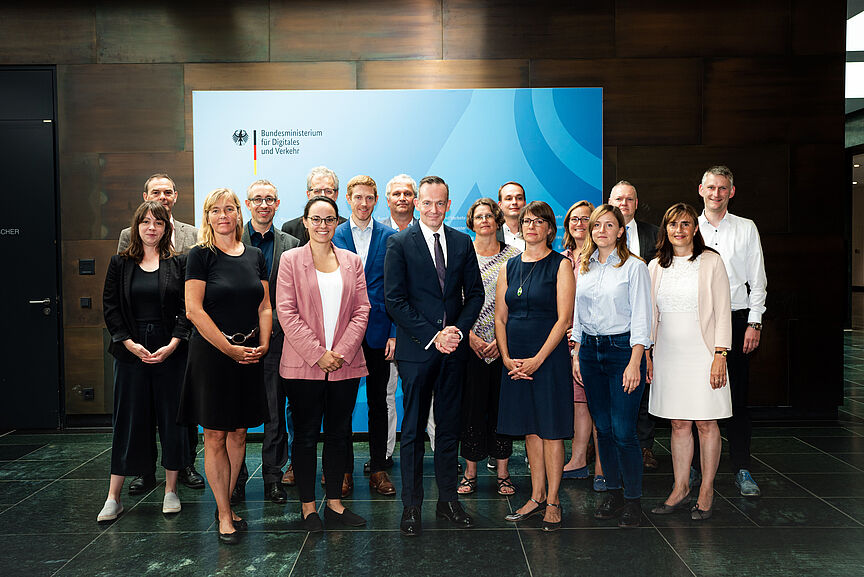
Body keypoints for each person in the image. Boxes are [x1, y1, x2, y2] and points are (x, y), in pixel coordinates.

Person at [384, 175, 484, 537]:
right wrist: (433, 335)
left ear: (448, 203)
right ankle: (412, 507)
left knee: (448, 429)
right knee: (411, 432)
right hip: (417, 353)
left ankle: (447, 502)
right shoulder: (399, 243)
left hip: (454, 352)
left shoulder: (461, 241)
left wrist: (456, 331)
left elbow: (474, 294)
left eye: (441, 203)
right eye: (426, 203)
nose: (433, 209)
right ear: (416, 203)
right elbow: (394, 301)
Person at [178, 188, 271, 545]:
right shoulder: (200, 255)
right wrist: (229, 349)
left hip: (248, 354)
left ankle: (227, 504)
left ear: (238, 214)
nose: (223, 215)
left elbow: (265, 305)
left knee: (240, 432)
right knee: (215, 434)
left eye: (229, 209)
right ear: (207, 216)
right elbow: (193, 310)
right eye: (215, 210)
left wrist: (263, 343)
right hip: (213, 356)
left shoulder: (254, 255)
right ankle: (223, 515)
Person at [276, 195, 371, 531]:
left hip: (344, 364)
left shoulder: (351, 261)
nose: (322, 225)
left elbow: (362, 310)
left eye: (329, 219)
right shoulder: (290, 260)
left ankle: (334, 504)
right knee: (303, 436)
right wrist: (319, 354)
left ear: (337, 223)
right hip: (303, 365)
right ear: (305, 221)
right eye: (315, 219)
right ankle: (308, 508)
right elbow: (286, 312)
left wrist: (340, 352)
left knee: (337, 435)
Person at [98, 201, 191, 522]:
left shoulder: (178, 264)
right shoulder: (120, 263)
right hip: (130, 353)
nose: (152, 227)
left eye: (159, 223)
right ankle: (113, 497)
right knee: (128, 422)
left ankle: (171, 491)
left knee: (172, 422)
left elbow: (186, 310)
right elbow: (110, 307)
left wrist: (173, 344)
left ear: (167, 229)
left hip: (171, 353)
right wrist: (129, 342)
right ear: (136, 226)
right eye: (146, 222)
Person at [117, 173, 204, 494]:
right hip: (141, 337)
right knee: (143, 409)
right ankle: (144, 470)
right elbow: (124, 285)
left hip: (181, 335)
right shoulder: (129, 235)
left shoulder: (192, 234)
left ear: (176, 196)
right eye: (156, 191)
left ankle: (185, 464)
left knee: (181, 406)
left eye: (168, 192)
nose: (163, 197)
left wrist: (181, 333)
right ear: (144, 195)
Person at [647, 203, 732, 521]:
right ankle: (680, 487)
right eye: (672, 224)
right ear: (665, 230)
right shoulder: (655, 266)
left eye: (685, 223)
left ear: (695, 229)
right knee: (679, 423)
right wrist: (647, 355)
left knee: (706, 423)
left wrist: (720, 355)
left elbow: (723, 311)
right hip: (668, 354)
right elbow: (649, 316)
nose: (679, 229)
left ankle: (706, 489)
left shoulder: (711, 262)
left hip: (705, 353)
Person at [571, 204, 652, 528]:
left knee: (623, 431)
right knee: (602, 428)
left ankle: (633, 501)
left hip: (622, 352)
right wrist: (576, 353)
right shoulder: (585, 266)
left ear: (621, 231)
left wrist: (636, 361)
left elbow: (643, 318)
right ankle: (614, 492)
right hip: (590, 351)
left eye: (609, 225)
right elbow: (578, 313)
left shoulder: (634, 267)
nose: (601, 230)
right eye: (596, 225)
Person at [497, 201, 574, 532]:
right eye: (527, 221)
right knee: (530, 428)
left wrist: (537, 360)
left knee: (551, 429)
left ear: (550, 229)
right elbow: (500, 317)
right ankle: (536, 495)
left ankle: (554, 500)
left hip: (548, 359)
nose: (531, 226)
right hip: (514, 360)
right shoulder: (508, 266)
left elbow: (564, 319)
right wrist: (504, 357)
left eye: (539, 222)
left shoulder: (561, 266)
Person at [697, 165, 767, 497]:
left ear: (731, 192)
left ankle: (741, 468)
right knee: (696, 400)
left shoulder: (746, 228)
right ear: (701, 190)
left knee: (737, 399)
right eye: (711, 187)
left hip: (737, 321)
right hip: (695, 325)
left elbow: (759, 280)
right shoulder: (687, 227)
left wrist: (755, 322)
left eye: (722, 188)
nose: (716, 193)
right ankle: (695, 471)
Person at [232, 180, 301, 505]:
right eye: (257, 199)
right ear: (247, 203)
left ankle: (274, 477)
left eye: (269, 199)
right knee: (237, 415)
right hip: (237, 342)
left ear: (277, 203)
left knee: (274, 413)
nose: (263, 204)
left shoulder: (291, 242)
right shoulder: (231, 238)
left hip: (278, 341)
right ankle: (237, 479)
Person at [333, 175, 398, 496]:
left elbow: (398, 289)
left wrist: (395, 333)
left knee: (378, 403)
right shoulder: (334, 233)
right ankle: (343, 471)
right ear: (348, 199)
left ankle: (379, 469)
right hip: (342, 334)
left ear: (376, 200)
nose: (363, 203)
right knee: (342, 405)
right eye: (357, 197)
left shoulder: (390, 237)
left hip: (378, 333)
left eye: (369, 198)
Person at [456, 198, 521, 497]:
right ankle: (470, 473)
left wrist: (501, 341)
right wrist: (469, 336)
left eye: (489, 216)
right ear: (471, 222)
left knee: (502, 409)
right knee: (470, 409)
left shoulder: (515, 257)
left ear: (498, 220)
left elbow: (519, 303)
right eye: (478, 216)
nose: (484, 220)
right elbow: (452, 301)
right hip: (467, 345)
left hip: (503, 347)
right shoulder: (459, 254)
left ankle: (503, 473)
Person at [609, 180, 661, 471]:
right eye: (618, 199)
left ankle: (644, 446)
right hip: (610, 323)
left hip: (646, 319)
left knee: (643, 385)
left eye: (629, 199)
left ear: (636, 204)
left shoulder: (654, 235)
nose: (623, 204)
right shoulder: (600, 233)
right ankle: (604, 444)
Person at [560, 201, 606, 491]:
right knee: (579, 403)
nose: (579, 223)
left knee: (599, 404)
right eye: (574, 219)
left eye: (585, 219)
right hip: (565, 343)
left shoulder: (601, 257)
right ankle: (578, 460)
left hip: (594, 340)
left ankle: (603, 466)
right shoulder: (561, 258)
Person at [378, 174, 419, 471]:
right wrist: (392, 330)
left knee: (426, 396)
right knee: (387, 394)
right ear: (388, 199)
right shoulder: (380, 235)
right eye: (396, 194)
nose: (402, 198)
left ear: (415, 199)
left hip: (422, 332)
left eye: (407, 193)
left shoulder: (431, 231)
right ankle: (387, 453)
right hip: (387, 331)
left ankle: (434, 449)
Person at [280, 166, 347, 244]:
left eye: (328, 191)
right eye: (317, 191)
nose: (322, 196)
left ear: (336, 195)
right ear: (308, 195)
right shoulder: (291, 229)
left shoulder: (346, 229)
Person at [496, 181, 527, 250]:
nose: (514, 202)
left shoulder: (535, 232)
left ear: (525, 203)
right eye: (509, 199)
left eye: (519, 198)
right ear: (500, 205)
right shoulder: (491, 234)